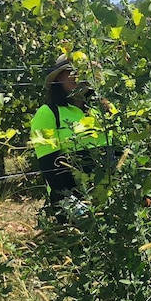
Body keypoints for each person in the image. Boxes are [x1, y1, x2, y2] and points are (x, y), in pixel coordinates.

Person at [30, 53, 114, 222]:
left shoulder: (105, 110)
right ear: (60, 77)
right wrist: (75, 208)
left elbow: (122, 152)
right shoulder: (48, 113)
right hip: (76, 204)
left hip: (112, 203)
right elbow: (50, 169)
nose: (80, 76)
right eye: (73, 71)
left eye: (85, 71)